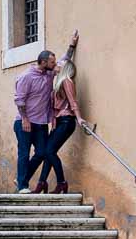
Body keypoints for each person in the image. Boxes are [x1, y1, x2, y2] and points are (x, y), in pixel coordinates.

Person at [13, 31, 78, 194]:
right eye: (52, 61)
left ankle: (23, 177)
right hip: (25, 122)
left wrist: (72, 45)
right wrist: (25, 119)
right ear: (43, 62)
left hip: (41, 123)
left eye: (55, 61)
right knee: (24, 152)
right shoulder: (26, 76)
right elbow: (19, 100)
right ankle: (22, 186)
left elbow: (65, 60)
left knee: (42, 153)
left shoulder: (50, 73)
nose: (55, 64)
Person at [31, 59, 86, 193]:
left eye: (59, 64)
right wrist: (71, 47)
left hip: (67, 121)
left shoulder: (67, 81)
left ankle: (61, 183)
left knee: (49, 151)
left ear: (65, 68)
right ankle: (42, 183)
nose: (56, 65)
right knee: (48, 152)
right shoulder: (58, 82)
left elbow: (73, 102)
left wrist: (79, 118)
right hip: (59, 122)